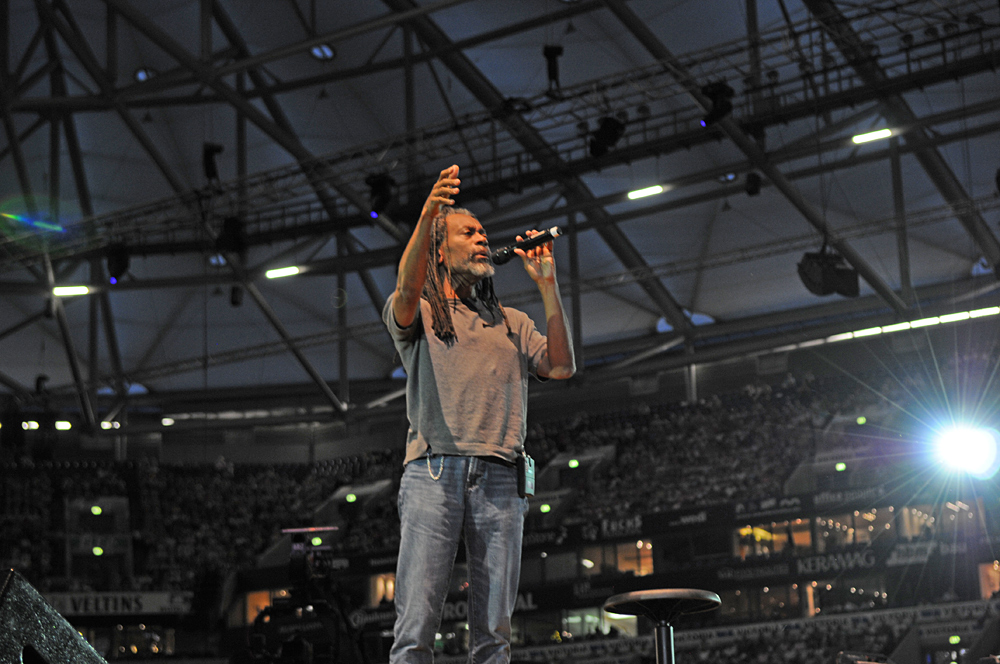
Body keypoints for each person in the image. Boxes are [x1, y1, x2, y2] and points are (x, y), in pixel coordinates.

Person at [383, 164, 575, 664]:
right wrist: (429, 212)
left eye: (485, 232)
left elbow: (561, 366)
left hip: (500, 475)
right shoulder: (423, 312)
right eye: (468, 232)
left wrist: (547, 285)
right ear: (440, 252)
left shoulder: (512, 321)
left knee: (494, 631)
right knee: (416, 624)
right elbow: (404, 291)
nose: (482, 238)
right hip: (434, 470)